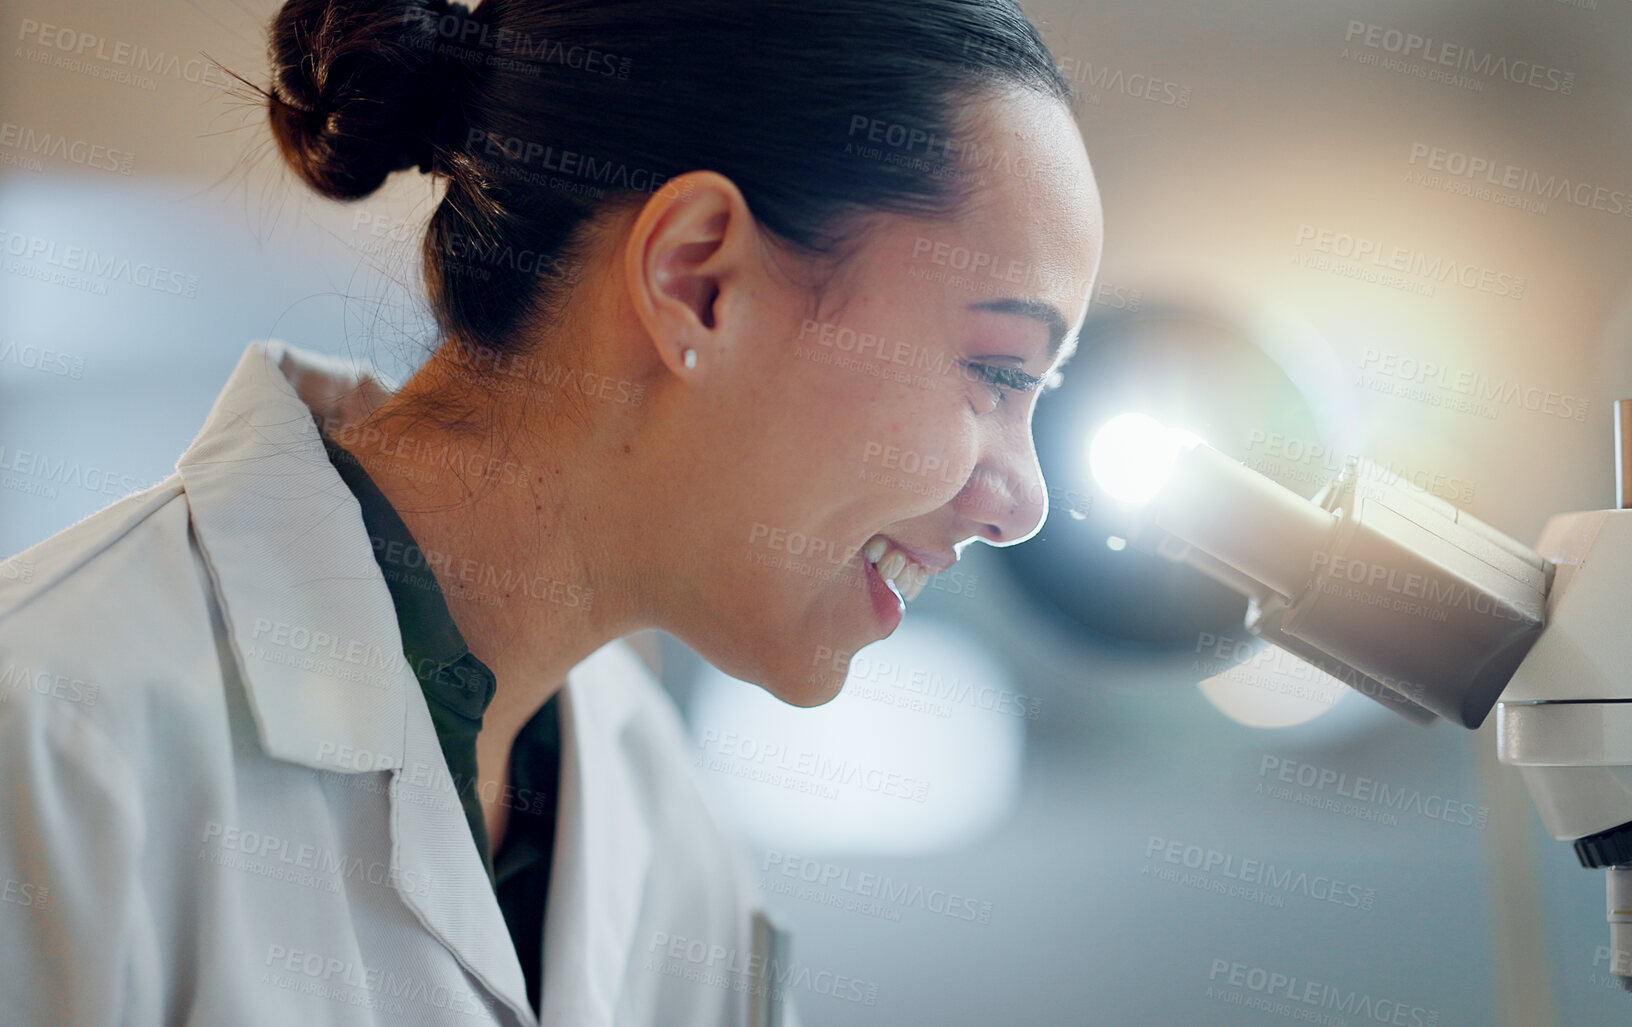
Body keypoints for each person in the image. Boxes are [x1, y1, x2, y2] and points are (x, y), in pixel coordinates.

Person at [0, 0, 1103, 1022]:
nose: (1023, 503)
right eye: (998, 371)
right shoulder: (50, 739)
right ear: (697, 280)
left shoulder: (655, 813)